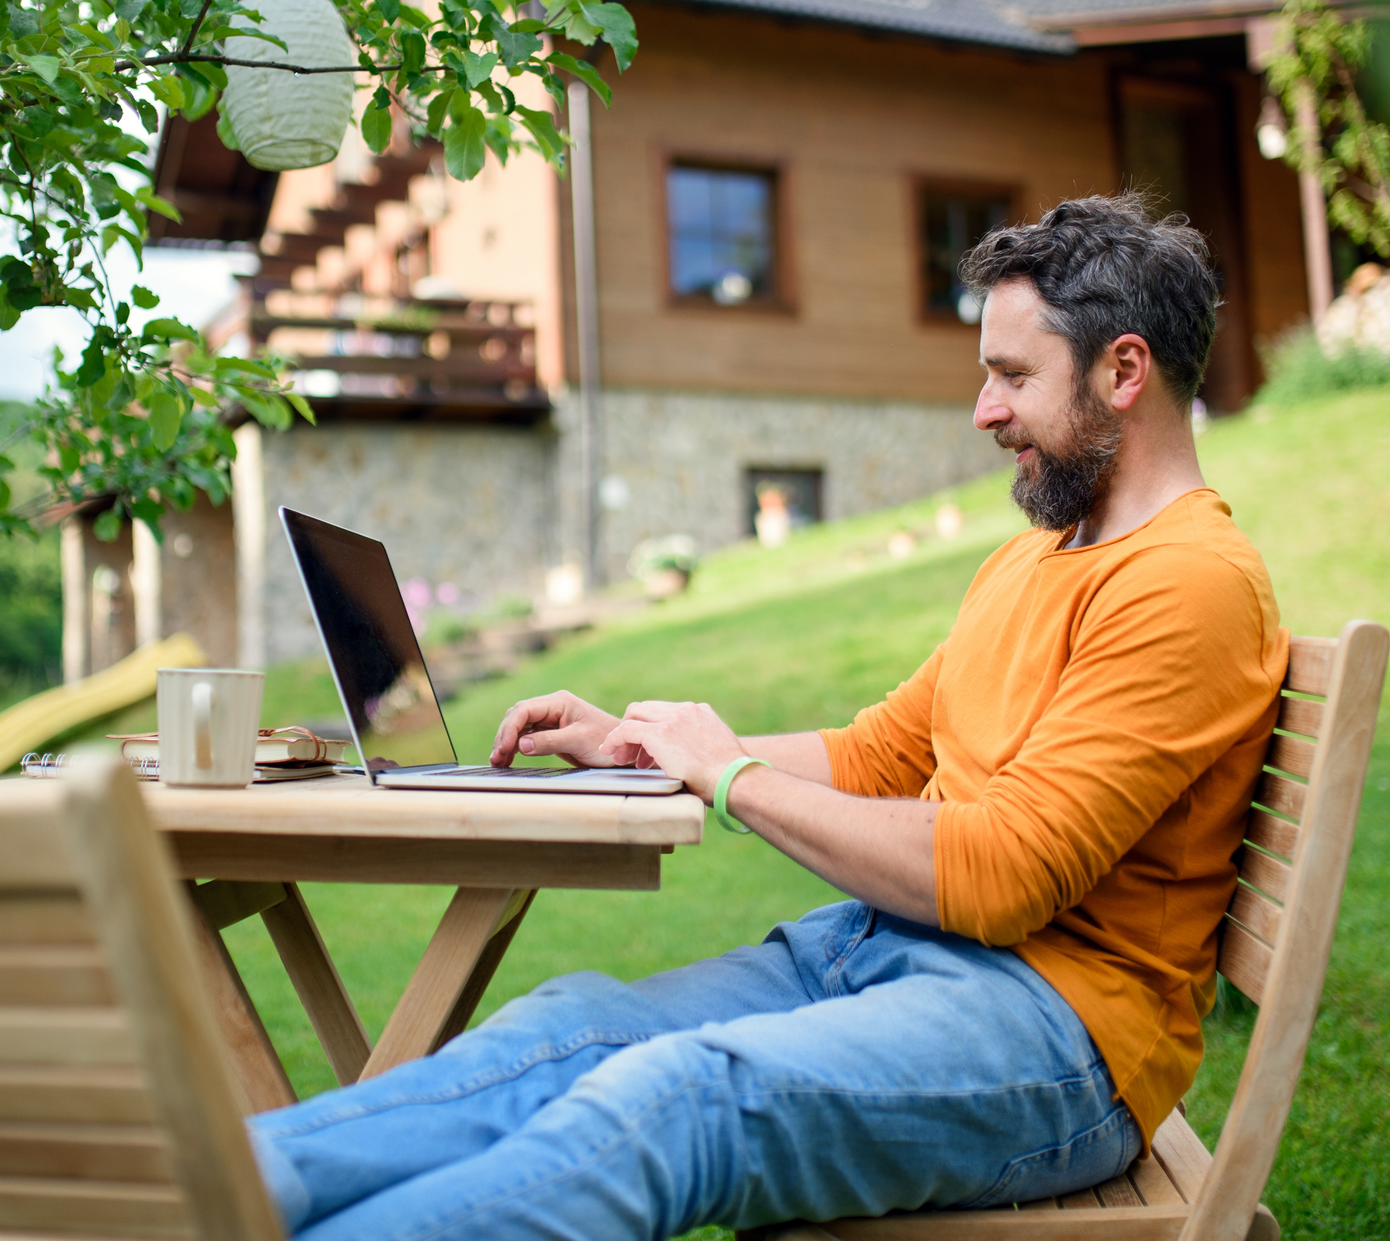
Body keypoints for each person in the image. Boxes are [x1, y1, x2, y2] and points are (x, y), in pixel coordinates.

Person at [244, 194, 1289, 1241]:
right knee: (563, 1035)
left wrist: (728, 777)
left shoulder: (1187, 585)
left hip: (1056, 1039)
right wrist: (648, 743)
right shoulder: (1034, 558)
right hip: (884, 956)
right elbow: (883, 752)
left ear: (1121, 371)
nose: (982, 409)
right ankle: (207, 1200)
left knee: (676, 1104)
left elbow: (1003, 874)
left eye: (1013, 376)